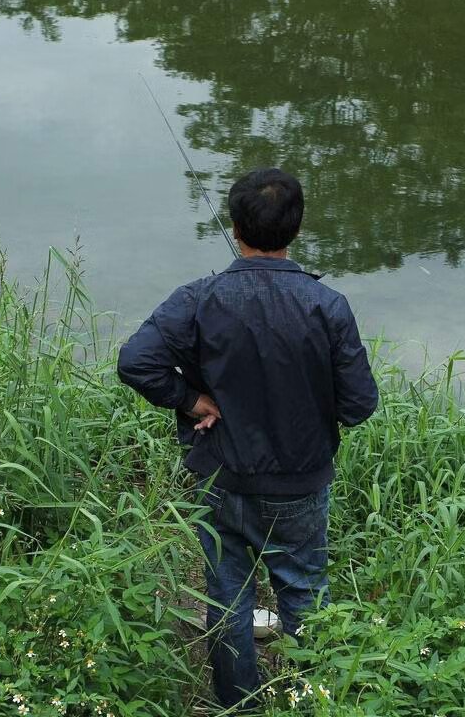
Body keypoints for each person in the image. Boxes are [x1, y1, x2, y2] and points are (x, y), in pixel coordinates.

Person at [116, 167, 379, 710]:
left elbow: (136, 360)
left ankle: (238, 703)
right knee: (303, 591)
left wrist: (190, 400)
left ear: (236, 228)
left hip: (221, 475)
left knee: (227, 594)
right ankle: (313, 700)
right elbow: (359, 405)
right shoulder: (327, 306)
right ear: (296, 229)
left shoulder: (199, 298)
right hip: (300, 484)